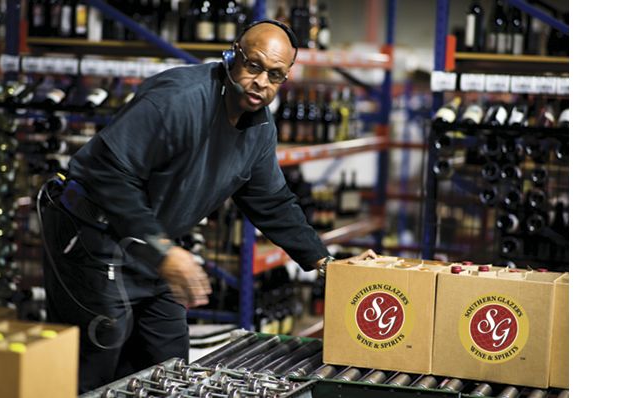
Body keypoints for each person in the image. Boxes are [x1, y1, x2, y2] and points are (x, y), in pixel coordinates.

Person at [39, 19, 376, 393]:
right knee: (99, 364)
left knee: (168, 362)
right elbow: (110, 174)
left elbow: (272, 201)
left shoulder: (259, 128)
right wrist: (163, 250)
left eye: (275, 75)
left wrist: (323, 262)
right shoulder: (178, 100)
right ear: (233, 55)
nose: (261, 82)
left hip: (151, 248)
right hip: (92, 239)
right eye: (254, 66)